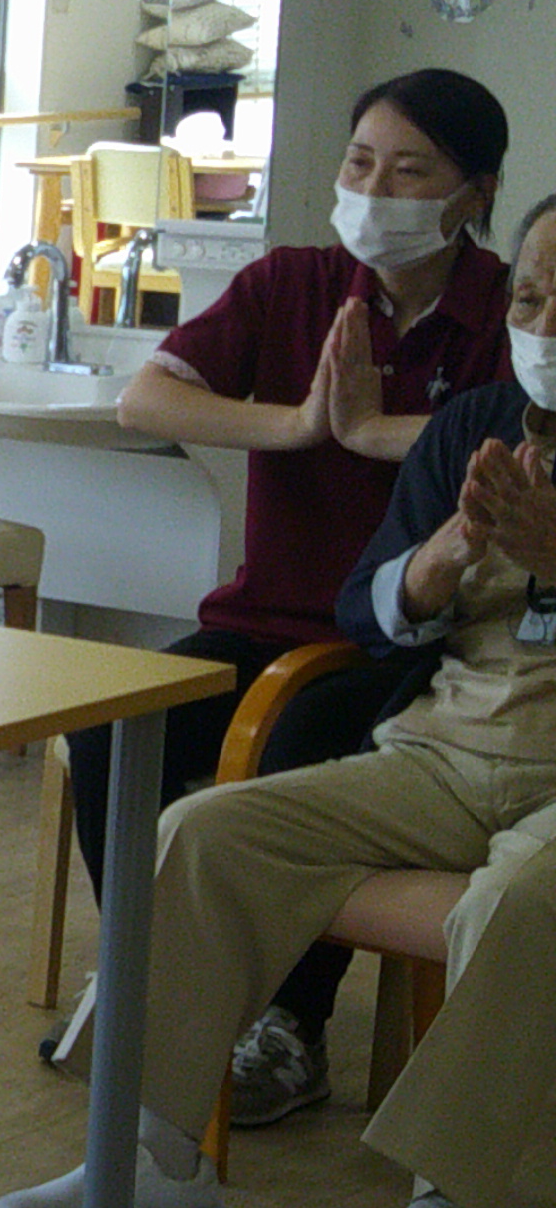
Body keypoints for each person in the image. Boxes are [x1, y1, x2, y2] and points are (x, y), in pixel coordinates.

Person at [0, 193, 556, 1208]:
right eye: (534, 297)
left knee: (520, 900)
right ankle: (157, 1153)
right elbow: (367, 608)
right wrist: (443, 556)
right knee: (208, 827)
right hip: (449, 750)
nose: (543, 325)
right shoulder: (479, 425)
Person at [52, 70, 513, 1118]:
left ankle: (289, 1025)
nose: (375, 190)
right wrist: (302, 424)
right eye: (360, 163)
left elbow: (517, 444)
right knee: (116, 729)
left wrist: (378, 434)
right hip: (266, 616)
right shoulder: (294, 283)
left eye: (411, 171)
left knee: (301, 743)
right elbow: (146, 399)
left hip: (414, 641)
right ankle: (154, 985)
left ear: (475, 192)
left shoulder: (505, 309)